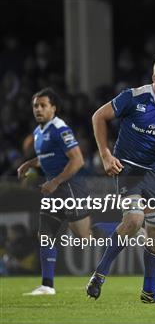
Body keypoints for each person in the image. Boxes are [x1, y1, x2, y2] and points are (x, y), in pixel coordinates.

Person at [86, 56, 155, 303]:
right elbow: (98, 116)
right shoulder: (133, 97)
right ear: (154, 78)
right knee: (135, 219)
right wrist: (105, 154)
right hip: (129, 168)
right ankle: (99, 275)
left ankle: (149, 291)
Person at [17, 88, 92, 295]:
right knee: (45, 234)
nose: (38, 109)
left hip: (70, 188)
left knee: (84, 238)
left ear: (53, 108)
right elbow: (48, 157)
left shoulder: (60, 128)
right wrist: (28, 164)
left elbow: (78, 160)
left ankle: (125, 229)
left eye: (43, 105)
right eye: (35, 106)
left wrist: (56, 182)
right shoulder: (38, 132)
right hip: (54, 190)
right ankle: (47, 285)